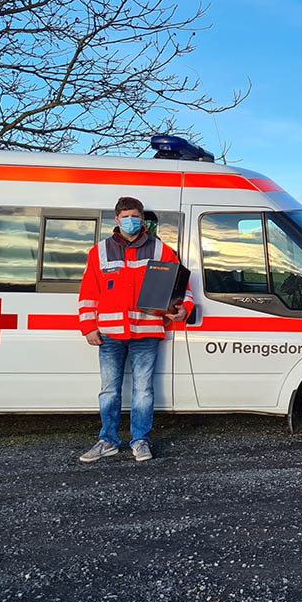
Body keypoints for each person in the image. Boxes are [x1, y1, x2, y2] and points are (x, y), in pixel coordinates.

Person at [77, 197, 193, 463]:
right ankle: (108, 440)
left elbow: (181, 286)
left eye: (136, 216)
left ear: (142, 219)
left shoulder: (160, 249)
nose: (131, 221)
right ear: (117, 220)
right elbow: (89, 293)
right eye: (126, 216)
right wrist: (88, 327)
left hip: (146, 331)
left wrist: (184, 307)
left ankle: (140, 441)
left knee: (143, 390)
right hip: (109, 333)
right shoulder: (99, 252)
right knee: (109, 390)